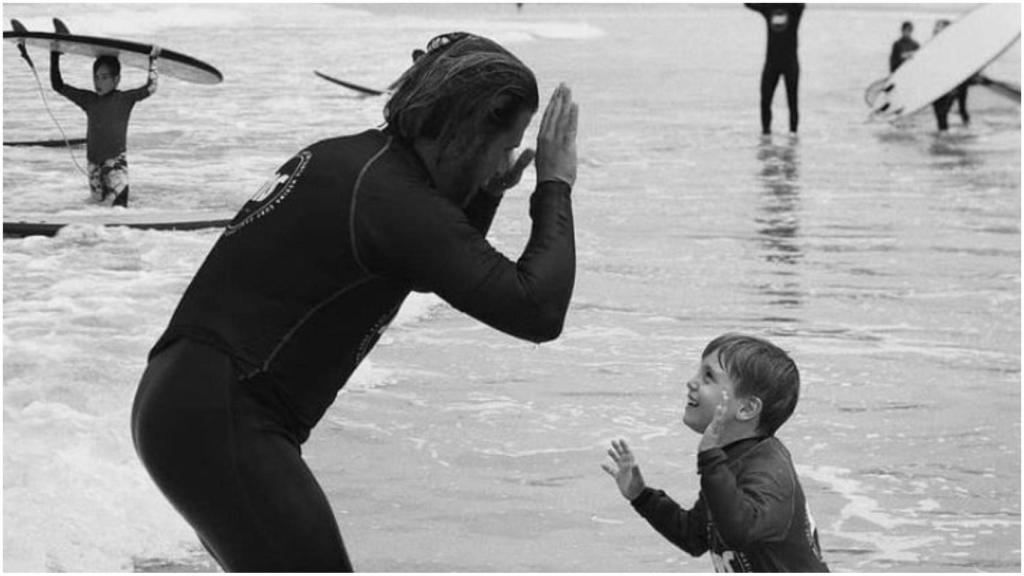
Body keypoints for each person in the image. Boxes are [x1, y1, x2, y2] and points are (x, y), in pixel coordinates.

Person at [131, 32, 579, 571]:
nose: (508, 158)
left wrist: (484, 193)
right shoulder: (393, 199)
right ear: (466, 128)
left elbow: (425, 269)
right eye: (507, 143)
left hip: (186, 405)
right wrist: (554, 185)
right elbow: (537, 310)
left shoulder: (360, 162)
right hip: (224, 417)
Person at [602, 333, 829, 572]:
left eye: (708, 377)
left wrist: (711, 461)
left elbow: (739, 530)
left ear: (747, 408)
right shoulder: (730, 461)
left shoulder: (770, 471)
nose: (691, 382)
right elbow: (694, 536)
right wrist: (641, 496)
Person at [50, 48, 160, 207]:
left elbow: (151, 87)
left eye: (104, 77)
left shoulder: (125, 99)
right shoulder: (88, 100)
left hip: (115, 165)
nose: (98, 82)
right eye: (95, 77)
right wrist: (55, 54)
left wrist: (153, 60)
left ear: (116, 79)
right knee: (98, 211)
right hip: (94, 167)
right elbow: (57, 85)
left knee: (119, 211)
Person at [745, 4, 805, 135]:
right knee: (765, 100)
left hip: (790, 63)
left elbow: (802, 4)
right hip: (772, 63)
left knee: (792, 101)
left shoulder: (794, 8)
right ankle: (766, 135)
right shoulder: (769, 7)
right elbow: (747, 4)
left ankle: (793, 136)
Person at [929, 19, 970, 132]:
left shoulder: (953, 47)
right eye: (936, 27)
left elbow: (961, 65)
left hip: (953, 85)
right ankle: (944, 137)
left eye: (939, 27)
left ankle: (962, 130)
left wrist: (954, 87)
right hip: (937, 85)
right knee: (940, 114)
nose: (936, 30)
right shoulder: (931, 46)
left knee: (947, 112)